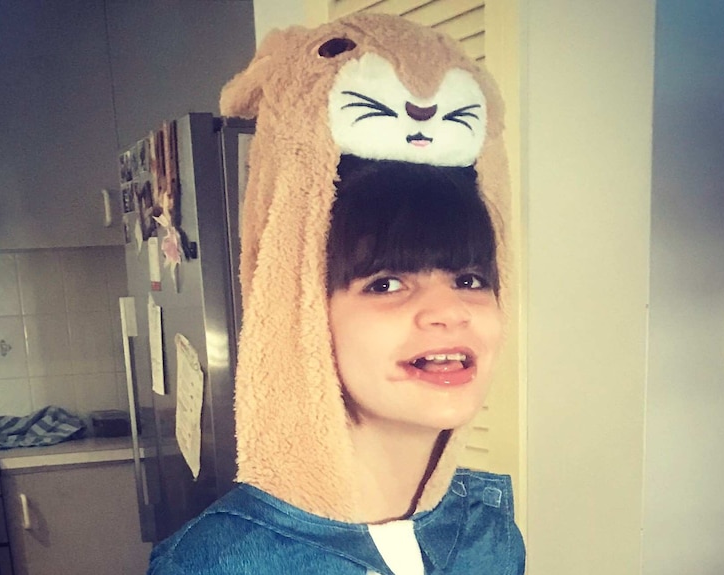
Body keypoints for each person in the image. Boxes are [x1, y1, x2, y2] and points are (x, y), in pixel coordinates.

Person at [148, 12, 525, 575]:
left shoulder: (488, 533)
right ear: (303, 312)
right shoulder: (215, 565)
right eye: (386, 282)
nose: (449, 311)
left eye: (470, 279)